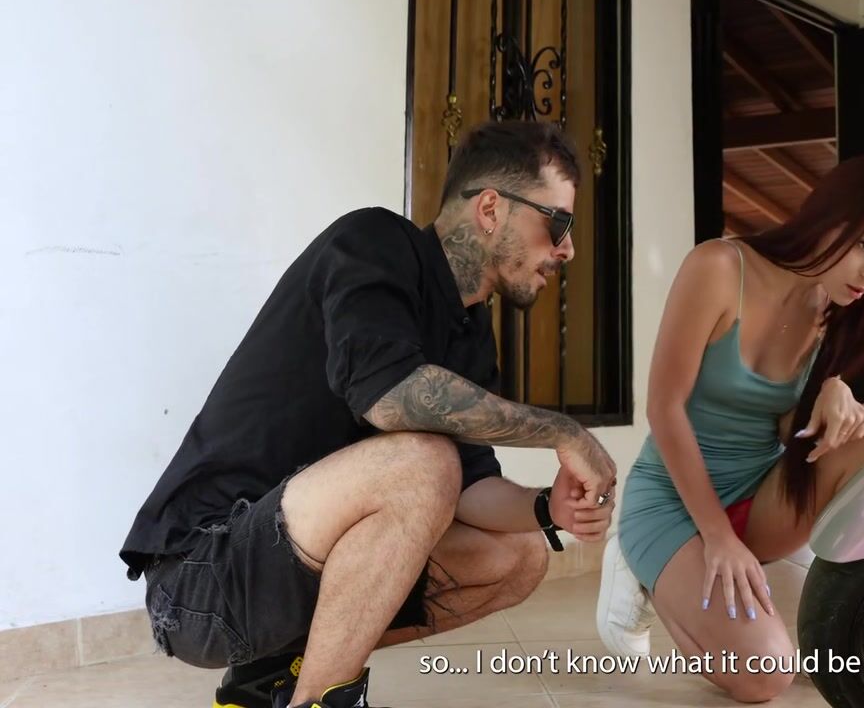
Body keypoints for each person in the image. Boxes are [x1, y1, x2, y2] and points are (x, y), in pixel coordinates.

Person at [120, 121, 618, 708]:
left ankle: (269, 680)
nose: (567, 250)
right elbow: (387, 395)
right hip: (201, 573)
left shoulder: (470, 333)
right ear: (490, 208)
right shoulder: (374, 243)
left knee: (521, 555)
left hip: (285, 571)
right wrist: (563, 431)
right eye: (559, 224)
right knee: (424, 461)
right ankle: (320, 700)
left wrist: (545, 507)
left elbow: (470, 488)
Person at [596, 156, 864, 703]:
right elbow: (664, 408)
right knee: (765, 675)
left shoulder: (827, 304)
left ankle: (840, 612)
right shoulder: (718, 267)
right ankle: (641, 567)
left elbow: (785, 431)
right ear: (829, 219)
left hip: (759, 499)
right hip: (674, 501)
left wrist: (833, 391)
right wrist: (716, 537)